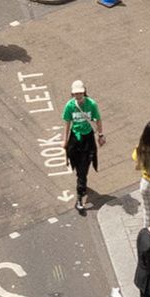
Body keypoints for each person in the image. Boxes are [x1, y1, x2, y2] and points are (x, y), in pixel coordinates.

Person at [61, 80, 103, 212]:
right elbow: (67, 123)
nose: (78, 96)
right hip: (75, 138)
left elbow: (98, 119)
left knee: (84, 166)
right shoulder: (69, 106)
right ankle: (82, 180)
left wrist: (100, 134)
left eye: (80, 93)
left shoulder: (91, 104)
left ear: (84, 92)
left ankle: (80, 196)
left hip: (88, 138)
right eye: (75, 94)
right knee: (76, 164)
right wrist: (65, 140)